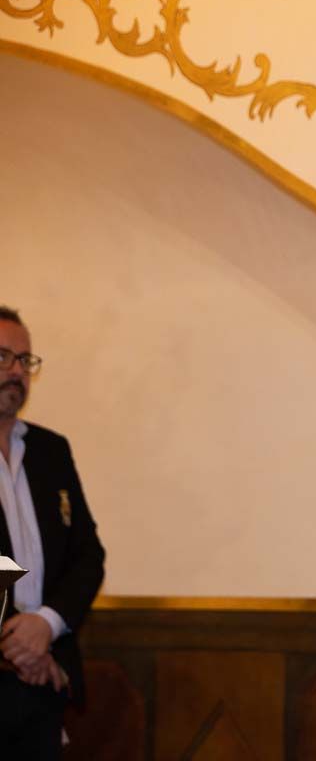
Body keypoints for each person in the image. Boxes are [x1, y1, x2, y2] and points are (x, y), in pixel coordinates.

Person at [0, 306, 106, 759]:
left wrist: (47, 622)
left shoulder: (50, 450)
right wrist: (16, 640)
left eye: (25, 361)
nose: (16, 371)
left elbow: (87, 555)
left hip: (46, 684)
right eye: (3, 357)